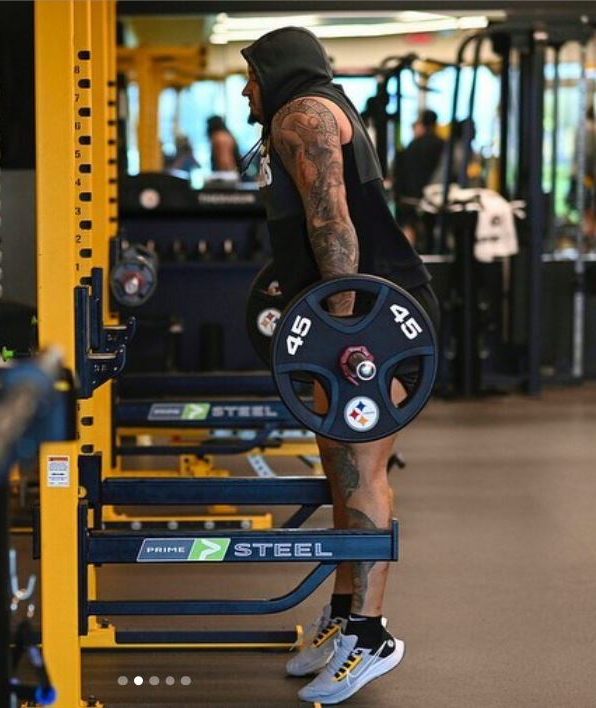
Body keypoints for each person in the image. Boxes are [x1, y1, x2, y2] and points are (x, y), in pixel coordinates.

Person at [241, 27, 440, 705]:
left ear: (275, 72)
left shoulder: (302, 117)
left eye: (249, 76)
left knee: (364, 472)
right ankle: (341, 617)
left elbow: (333, 226)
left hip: (371, 325)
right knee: (340, 472)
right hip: (350, 317)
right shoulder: (315, 113)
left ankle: (370, 634)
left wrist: (346, 335)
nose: (244, 90)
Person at [394, 109, 445, 245]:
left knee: (410, 228)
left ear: (422, 125)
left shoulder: (411, 146)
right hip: (433, 198)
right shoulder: (441, 145)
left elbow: (401, 173)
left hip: (410, 197)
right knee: (430, 235)